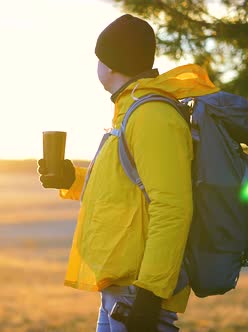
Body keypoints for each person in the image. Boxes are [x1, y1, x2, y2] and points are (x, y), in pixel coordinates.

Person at [38, 14, 219, 332]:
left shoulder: (151, 116)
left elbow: (172, 207)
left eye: (98, 57)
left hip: (139, 294)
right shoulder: (131, 112)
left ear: (109, 63)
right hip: (119, 292)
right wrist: (71, 180)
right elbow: (125, 196)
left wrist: (149, 293)